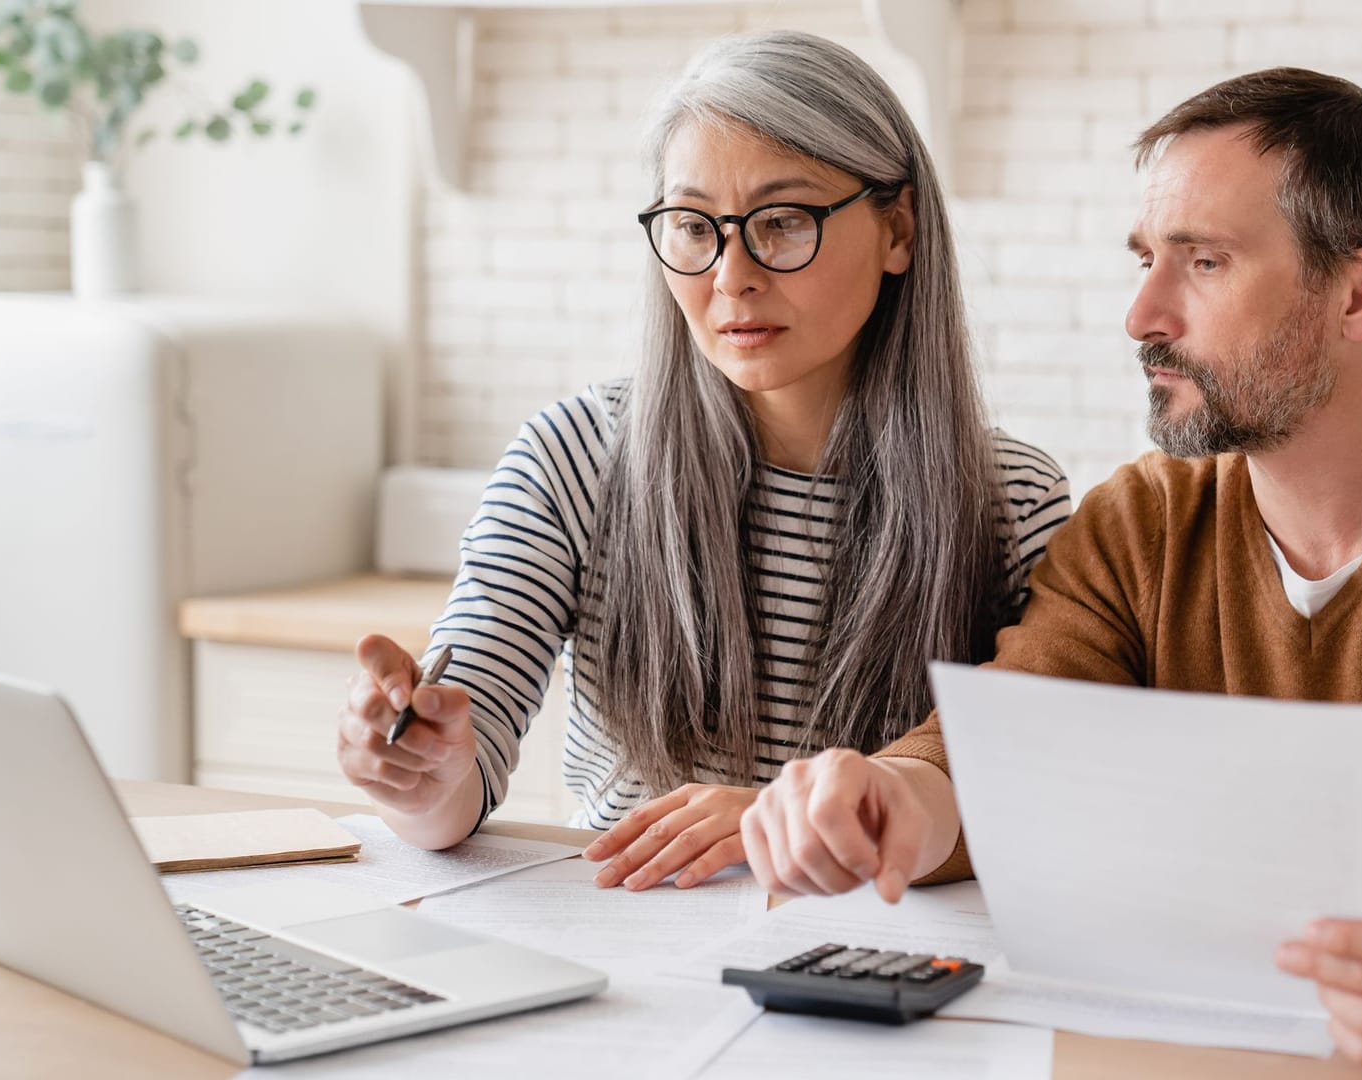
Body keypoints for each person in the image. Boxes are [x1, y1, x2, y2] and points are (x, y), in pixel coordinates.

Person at [738, 67, 1362, 1071]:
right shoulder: (1142, 522)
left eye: (1205, 263)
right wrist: (885, 796)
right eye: (1145, 262)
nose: (1141, 315)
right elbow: (1008, 745)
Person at [332, 30, 1070, 893]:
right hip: (636, 940)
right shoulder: (577, 454)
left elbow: (1029, 794)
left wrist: (780, 826)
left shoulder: (1012, 499)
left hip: (883, 958)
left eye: (784, 222)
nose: (732, 276)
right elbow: (458, 777)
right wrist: (417, 767)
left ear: (898, 228)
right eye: (693, 227)